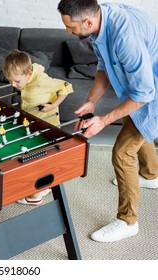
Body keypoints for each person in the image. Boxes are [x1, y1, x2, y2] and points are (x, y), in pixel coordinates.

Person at [57, 0, 158, 242]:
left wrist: (103, 120)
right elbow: (104, 66)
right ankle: (152, 176)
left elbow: (144, 94)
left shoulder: (125, 37)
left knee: (122, 152)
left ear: (88, 22)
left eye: (70, 27)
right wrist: (92, 102)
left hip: (152, 89)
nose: (67, 32)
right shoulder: (100, 19)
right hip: (141, 86)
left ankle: (127, 221)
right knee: (133, 122)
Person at [2, 49, 73, 205]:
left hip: (46, 124)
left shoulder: (42, 81)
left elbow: (66, 86)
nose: (13, 85)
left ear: (28, 74)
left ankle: (36, 196)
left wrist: (53, 105)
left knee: (36, 158)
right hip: (32, 122)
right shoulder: (26, 75)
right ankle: (46, 185)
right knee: (34, 154)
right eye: (10, 81)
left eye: (16, 81)